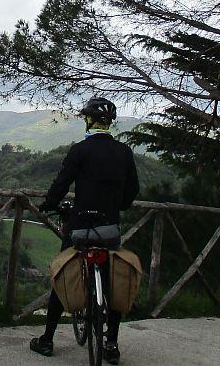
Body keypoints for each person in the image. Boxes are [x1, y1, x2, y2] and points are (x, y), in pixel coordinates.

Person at [29, 96, 139, 365]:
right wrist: (117, 207)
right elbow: (132, 190)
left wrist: (49, 205)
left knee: (62, 273)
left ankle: (47, 340)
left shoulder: (79, 150)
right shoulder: (124, 152)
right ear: (109, 123)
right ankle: (111, 344)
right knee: (113, 281)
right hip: (110, 227)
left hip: (80, 226)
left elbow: (61, 183)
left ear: (89, 120)